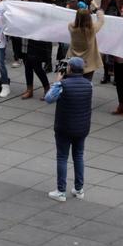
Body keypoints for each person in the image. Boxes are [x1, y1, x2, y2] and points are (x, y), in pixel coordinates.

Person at [45, 55, 92, 200]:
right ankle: (79, 189)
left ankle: (60, 191)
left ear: (70, 68)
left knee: (62, 157)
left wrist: (56, 82)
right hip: (82, 127)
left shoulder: (62, 85)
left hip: (64, 127)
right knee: (78, 156)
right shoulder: (89, 85)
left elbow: (48, 99)